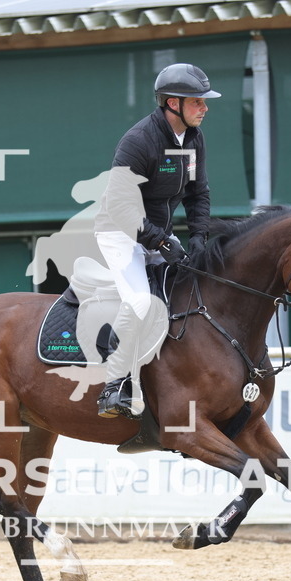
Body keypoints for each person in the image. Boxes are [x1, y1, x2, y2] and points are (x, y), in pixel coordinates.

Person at [95, 62, 221, 419]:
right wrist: (161, 241)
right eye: (197, 101)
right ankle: (114, 386)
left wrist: (198, 236)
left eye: (203, 101)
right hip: (119, 234)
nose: (205, 108)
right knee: (140, 305)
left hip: (157, 235)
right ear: (171, 103)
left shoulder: (193, 139)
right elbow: (119, 206)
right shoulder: (139, 141)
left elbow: (199, 194)